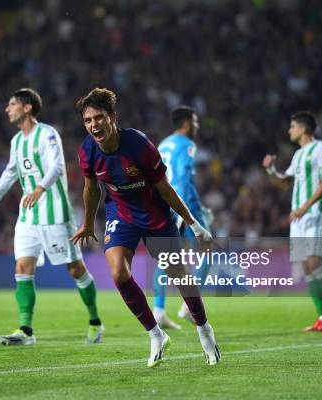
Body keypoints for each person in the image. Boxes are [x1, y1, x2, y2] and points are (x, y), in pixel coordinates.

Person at [71, 88, 220, 367]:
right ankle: (155, 334)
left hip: (155, 214)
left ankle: (204, 330)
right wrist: (88, 223)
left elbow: (165, 189)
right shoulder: (87, 151)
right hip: (121, 213)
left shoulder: (139, 145)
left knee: (179, 276)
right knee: (118, 273)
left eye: (99, 118)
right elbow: (91, 190)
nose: (94, 125)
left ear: (113, 117)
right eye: (88, 120)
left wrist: (195, 225)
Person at [0, 88, 103, 345]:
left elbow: (57, 167)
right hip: (28, 216)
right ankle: (25, 331)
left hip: (55, 213)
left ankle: (95, 321)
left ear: (27, 108)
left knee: (74, 268)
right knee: (23, 267)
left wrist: (39, 188)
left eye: (12, 104)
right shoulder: (16, 141)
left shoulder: (47, 134)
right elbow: (10, 174)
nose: (7, 109)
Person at [263, 111, 322, 332]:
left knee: (315, 263)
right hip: (298, 219)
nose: (290, 130)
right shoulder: (298, 155)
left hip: (315, 213)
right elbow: (283, 184)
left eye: (292, 126)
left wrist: (304, 207)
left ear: (303, 129)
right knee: (306, 268)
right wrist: (271, 170)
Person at [154, 106, 214, 329]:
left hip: (163, 203)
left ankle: (159, 311)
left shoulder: (163, 144)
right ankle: (189, 305)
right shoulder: (187, 145)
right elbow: (181, 177)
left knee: (166, 258)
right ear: (187, 123)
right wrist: (195, 210)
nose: (197, 127)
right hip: (183, 203)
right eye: (195, 122)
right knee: (208, 250)